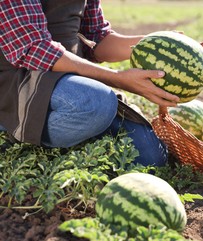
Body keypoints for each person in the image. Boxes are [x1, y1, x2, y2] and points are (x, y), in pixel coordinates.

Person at [0, 0, 180, 167]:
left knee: (149, 157)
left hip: (70, 79)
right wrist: (119, 78)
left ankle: (68, 139)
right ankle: (10, 130)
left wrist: (161, 45)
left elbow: (96, 38)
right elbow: (35, 48)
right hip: (19, 79)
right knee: (96, 103)